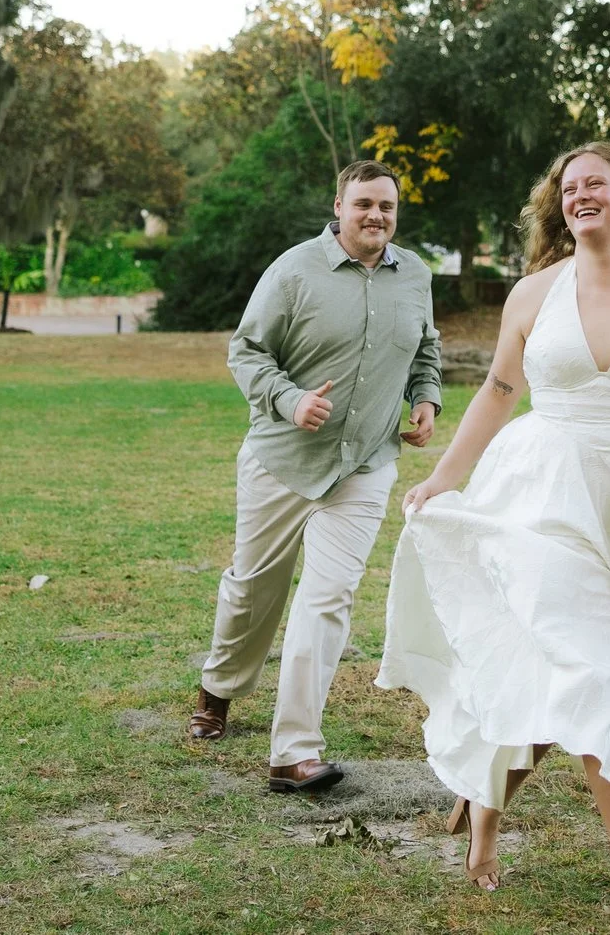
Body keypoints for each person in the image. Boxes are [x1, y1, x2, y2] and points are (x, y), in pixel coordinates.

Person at [378, 142, 610, 935]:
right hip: (541, 498)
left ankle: (485, 793)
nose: (580, 196)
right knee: (598, 672)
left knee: (568, 673)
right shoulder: (535, 292)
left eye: (595, 184)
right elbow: (501, 390)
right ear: (559, 206)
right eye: (569, 188)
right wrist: (444, 480)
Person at [188, 159, 443, 795]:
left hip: (365, 464)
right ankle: (219, 686)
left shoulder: (413, 274)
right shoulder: (294, 269)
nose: (376, 216)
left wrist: (425, 399)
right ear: (338, 206)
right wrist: (290, 399)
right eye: (363, 204)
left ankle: (294, 750)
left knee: (327, 597)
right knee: (255, 588)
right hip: (283, 459)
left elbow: (425, 348)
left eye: (386, 206)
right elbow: (245, 350)